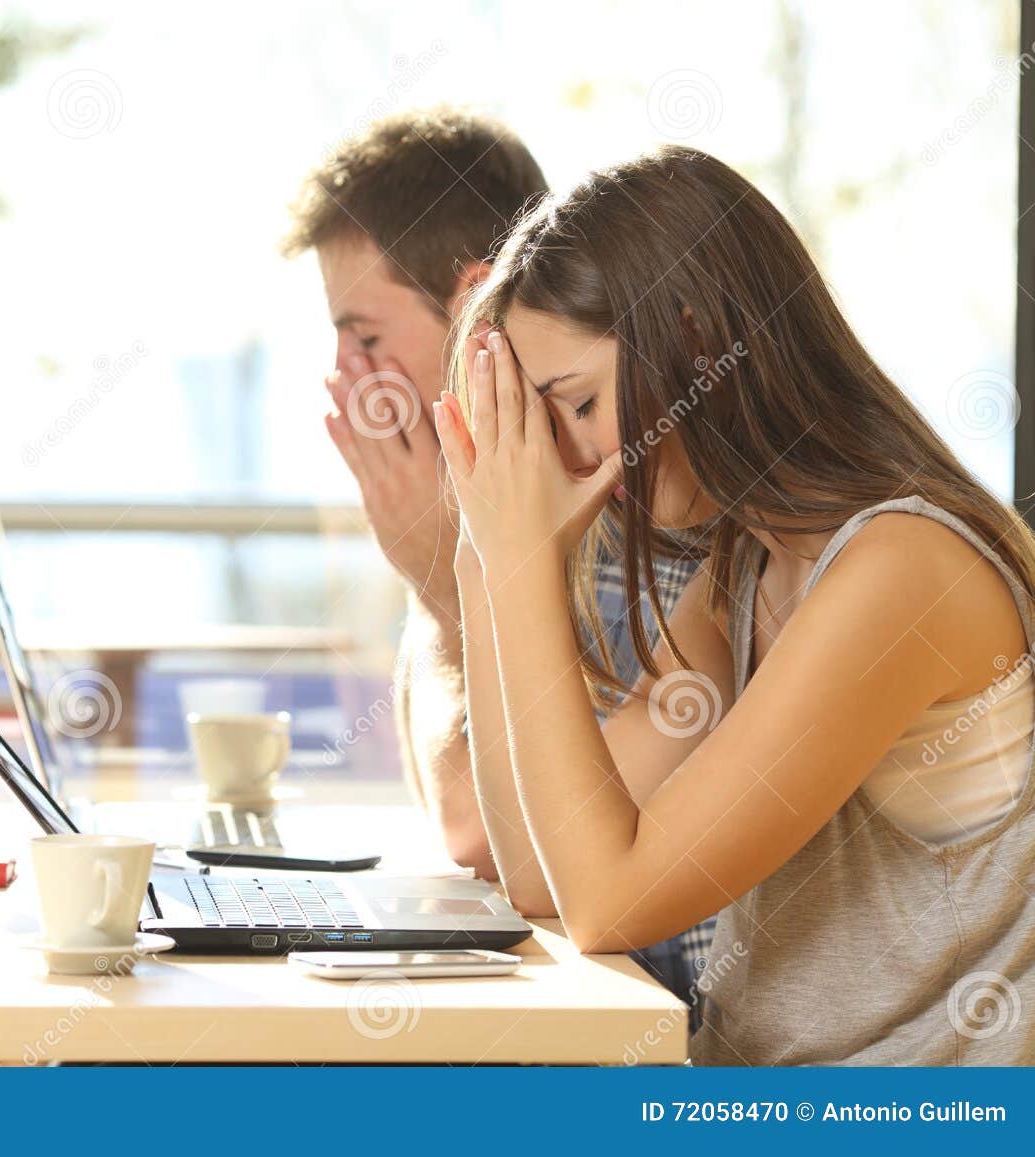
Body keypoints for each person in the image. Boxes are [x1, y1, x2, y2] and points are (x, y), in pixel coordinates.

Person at [433, 143, 1035, 1065]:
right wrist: (491, 555)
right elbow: (535, 872)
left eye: (580, 404)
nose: (575, 457)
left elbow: (607, 898)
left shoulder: (903, 568)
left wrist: (519, 553)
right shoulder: (746, 571)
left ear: (698, 341)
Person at [283, 108, 709, 1008]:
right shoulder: (513, 497)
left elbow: (475, 832)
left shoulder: (622, 500)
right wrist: (443, 566)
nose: (342, 374)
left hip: (663, 1024)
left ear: (476, 298)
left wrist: (442, 587)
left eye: (364, 335)